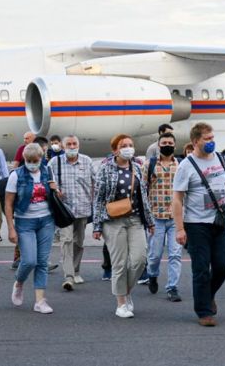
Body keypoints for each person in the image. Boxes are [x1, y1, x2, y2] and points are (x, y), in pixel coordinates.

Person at [173, 122, 225, 327]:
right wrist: (180, 228)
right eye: (207, 139)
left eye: (212, 138)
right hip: (196, 224)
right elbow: (177, 199)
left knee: (222, 266)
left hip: (219, 220)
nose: (211, 142)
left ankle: (208, 295)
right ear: (195, 142)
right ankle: (204, 312)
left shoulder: (221, 159)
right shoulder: (186, 166)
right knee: (201, 269)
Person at [92, 134, 155, 318]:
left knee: (140, 259)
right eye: (123, 145)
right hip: (113, 220)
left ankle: (126, 292)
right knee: (119, 262)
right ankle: (121, 303)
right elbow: (98, 199)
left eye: (130, 145)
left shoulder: (137, 167)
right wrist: (96, 226)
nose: (128, 148)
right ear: (115, 150)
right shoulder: (105, 169)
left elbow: (143, 198)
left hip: (135, 219)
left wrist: (149, 221)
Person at [5, 143, 56, 314]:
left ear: (41, 159)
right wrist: (11, 228)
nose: (32, 163)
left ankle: (40, 301)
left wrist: (57, 191)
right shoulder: (16, 175)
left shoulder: (47, 171)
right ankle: (19, 282)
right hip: (25, 221)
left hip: (46, 220)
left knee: (42, 261)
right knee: (28, 260)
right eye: (29, 160)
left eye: (36, 160)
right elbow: (8, 203)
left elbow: (55, 196)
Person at [48, 135, 95, 292]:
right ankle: (68, 276)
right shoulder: (55, 162)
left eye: (75, 143)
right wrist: (53, 188)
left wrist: (94, 202)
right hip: (64, 210)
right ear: (63, 146)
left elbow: (94, 182)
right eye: (69, 144)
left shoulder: (87, 161)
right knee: (66, 240)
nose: (72, 146)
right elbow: (46, 179)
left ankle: (76, 270)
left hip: (82, 209)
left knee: (79, 242)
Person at [142, 132, 183, 301]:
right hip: (155, 217)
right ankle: (152, 274)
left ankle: (172, 287)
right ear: (158, 145)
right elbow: (143, 191)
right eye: (164, 142)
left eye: (170, 142)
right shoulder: (149, 165)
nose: (167, 145)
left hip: (175, 218)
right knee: (155, 255)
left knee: (175, 254)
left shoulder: (181, 165)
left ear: (174, 145)